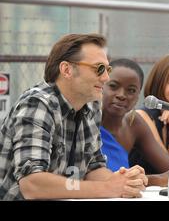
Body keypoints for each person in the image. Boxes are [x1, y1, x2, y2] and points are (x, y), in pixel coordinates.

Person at [0, 34, 147, 200]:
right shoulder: (37, 104)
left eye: (108, 69)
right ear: (67, 70)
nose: (106, 77)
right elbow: (32, 184)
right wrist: (106, 188)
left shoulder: (91, 106)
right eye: (99, 68)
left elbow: (94, 168)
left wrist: (125, 181)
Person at [100, 58, 169, 186]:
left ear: (138, 96)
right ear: (100, 85)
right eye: (113, 86)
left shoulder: (134, 123)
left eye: (131, 90)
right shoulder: (85, 121)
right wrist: (155, 179)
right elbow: (92, 179)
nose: (121, 95)